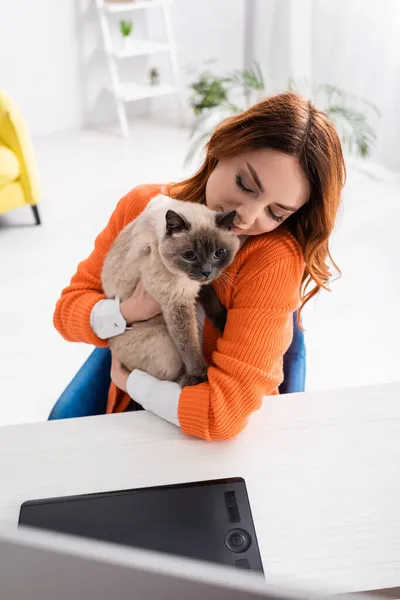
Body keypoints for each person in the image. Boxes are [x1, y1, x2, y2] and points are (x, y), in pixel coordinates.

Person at [53, 91, 345, 441]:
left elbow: (219, 416)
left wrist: (131, 382)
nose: (247, 217)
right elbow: (69, 311)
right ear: (220, 146)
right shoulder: (143, 207)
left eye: (276, 212)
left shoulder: (274, 261)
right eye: (246, 184)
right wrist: (130, 310)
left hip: (221, 443)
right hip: (133, 417)